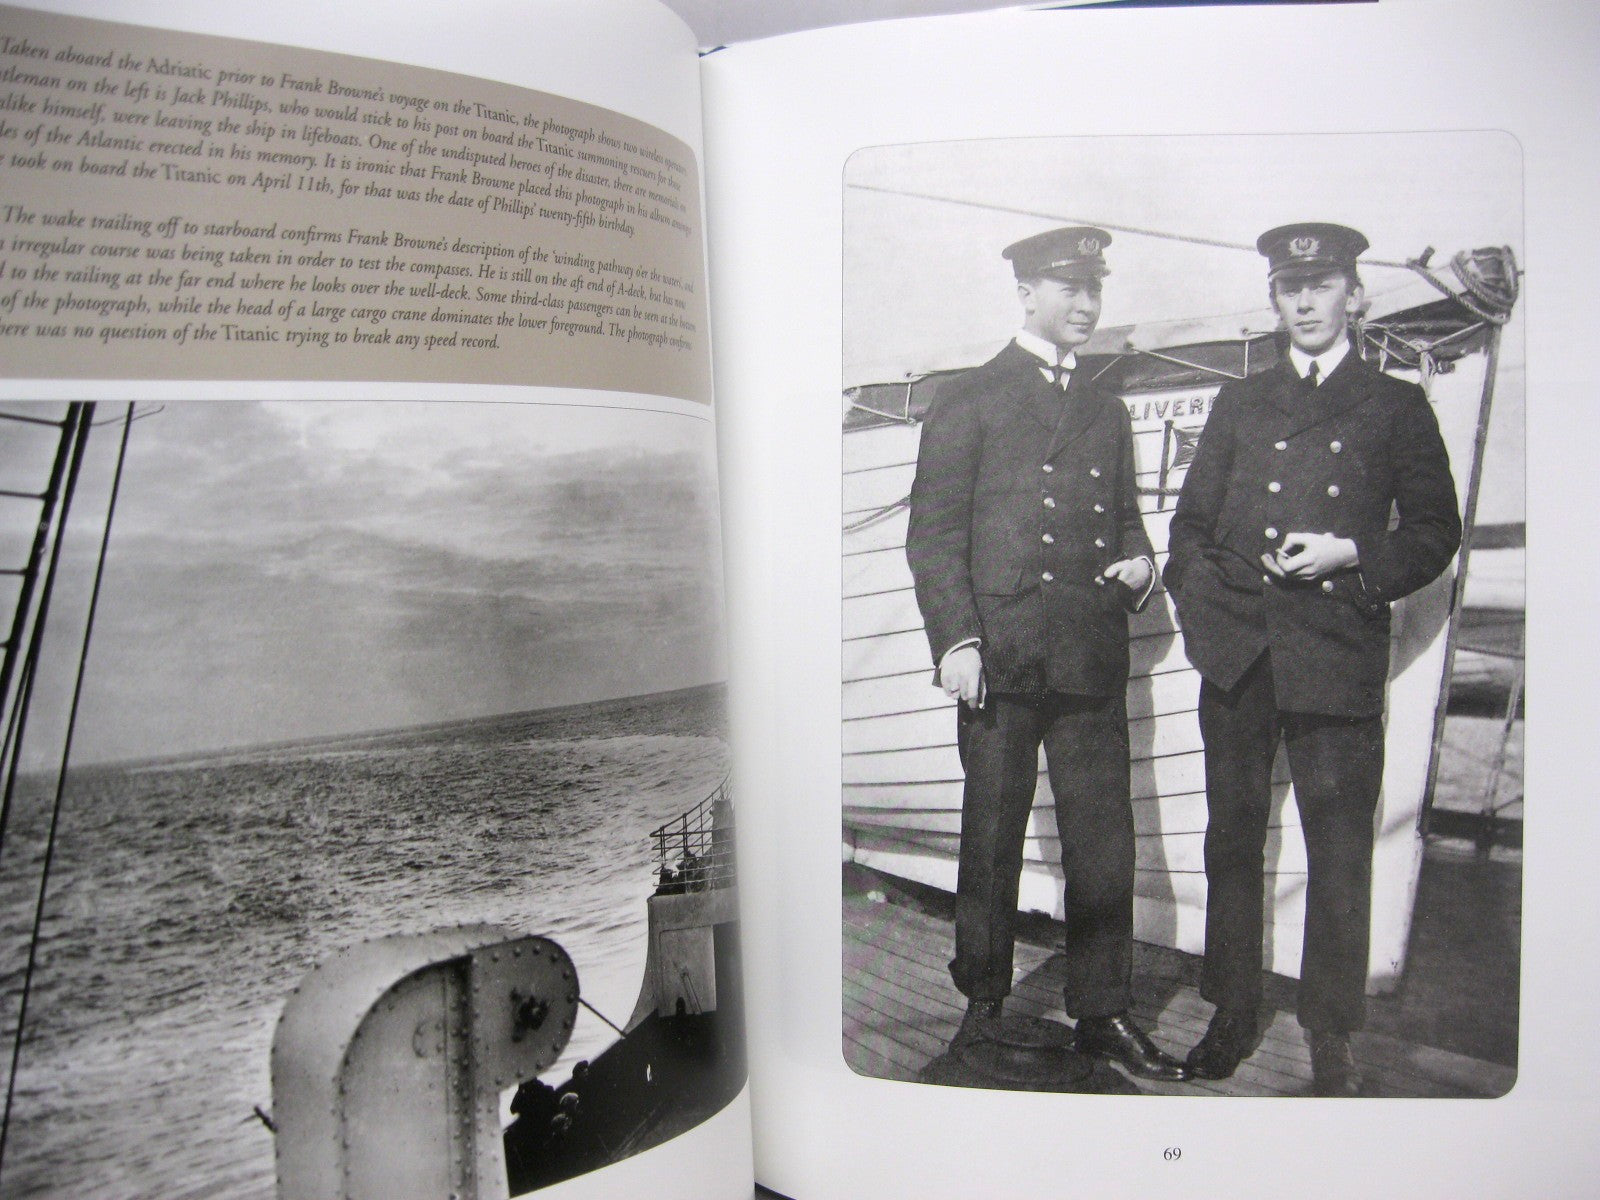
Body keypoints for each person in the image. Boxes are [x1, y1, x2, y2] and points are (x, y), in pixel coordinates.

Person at [1163, 222, 1461, 1095]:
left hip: (1335, 652)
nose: (1304, 299)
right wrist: (1208, 615)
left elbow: (1436, 532)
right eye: (1290, 286)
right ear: (1275, 300)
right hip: (1241, 656)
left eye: (1322, 283)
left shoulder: (1396, 405)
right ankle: (1231, 1010)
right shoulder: (1239, 404)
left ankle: (1332, 1033)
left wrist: (1354, 557)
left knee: (1337, 852)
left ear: (1354, 296)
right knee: (1232, 843)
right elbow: (1187, 532)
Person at [906, 225, 1188, 1082]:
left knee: (1104, 838)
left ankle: (1102, 1012)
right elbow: (934, 535)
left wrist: (1142, 563)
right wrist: (955, 638)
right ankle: (982, 1011)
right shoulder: (969, 398)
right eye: (1068, 288)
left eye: (1094, 289)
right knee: (991, 833)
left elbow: (1129, 517)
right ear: (1026, 292)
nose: (1086, 304)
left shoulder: (1104, 410)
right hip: (999, 655)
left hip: (1089, 653)